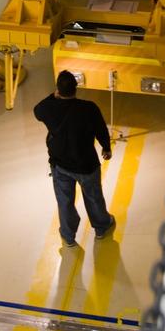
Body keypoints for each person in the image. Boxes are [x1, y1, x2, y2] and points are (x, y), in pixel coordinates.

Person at [33, 70, 115, 248]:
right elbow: (101, 129)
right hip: (86, 165)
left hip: (61, 165)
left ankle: (68, 236)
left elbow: (37, 111)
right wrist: (106, 148)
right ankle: (101, 227)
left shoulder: (49, 108)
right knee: (93, 197)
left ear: (58, 89)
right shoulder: (88, 108)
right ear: (75, 89)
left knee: (65, 201)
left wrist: (52, 97)